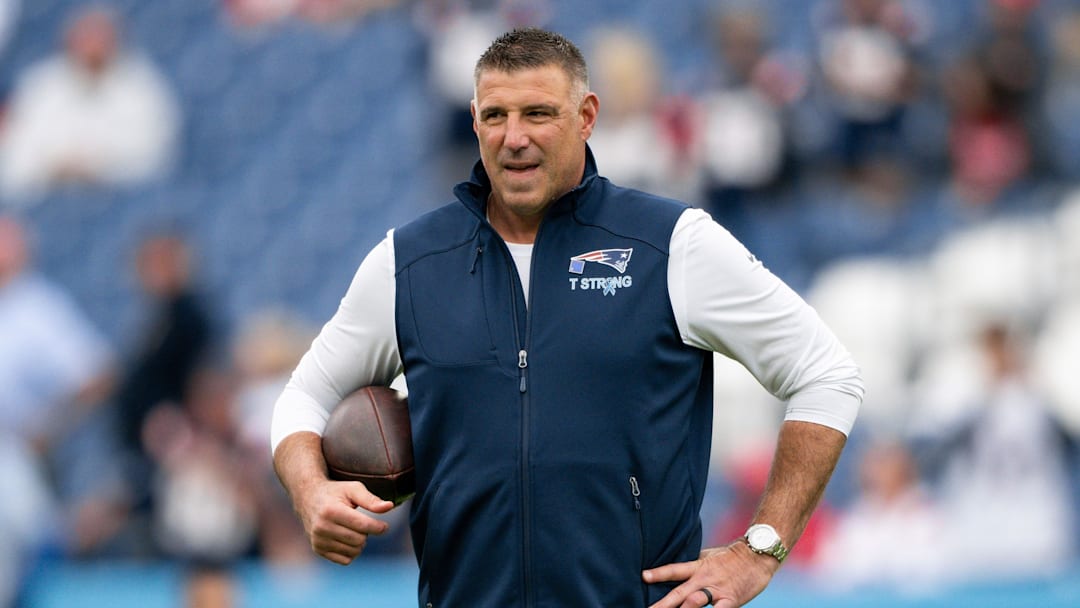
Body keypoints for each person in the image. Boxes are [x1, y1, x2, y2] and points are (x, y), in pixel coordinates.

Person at [271, 28, 863, 608]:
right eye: (496, 116)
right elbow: (305, 396)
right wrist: (310, 489)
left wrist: (761, 549)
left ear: (586, 116)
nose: (514, 138)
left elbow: (826, 375)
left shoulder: (672, 245)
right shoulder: (408, 262)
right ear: (474, 119)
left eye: (538, 113)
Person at [0, 5, 180, 203]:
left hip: (119, 201)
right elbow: (17, 157)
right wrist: (56, 167)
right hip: (48, 200)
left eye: (99, 38)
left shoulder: (144, 88)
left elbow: (154, 156)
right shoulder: (41, 86)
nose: (92, 47)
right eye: (86, 38)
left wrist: (97, 166)